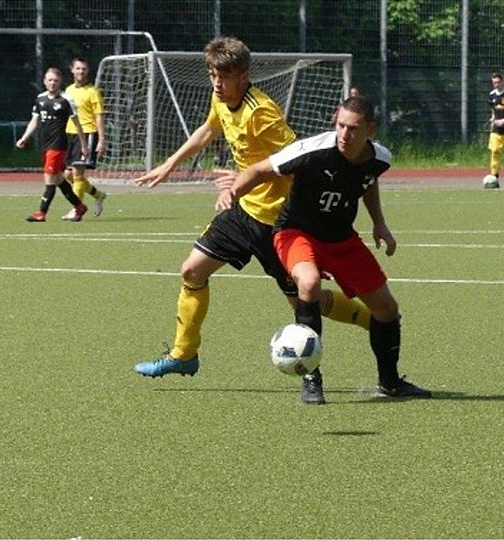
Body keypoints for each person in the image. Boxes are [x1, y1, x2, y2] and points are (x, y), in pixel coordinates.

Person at [131, 36, 373, 399]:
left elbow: (297, 162)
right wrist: (168, 165)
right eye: (212, 74)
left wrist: (247, 177)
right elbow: (207, 131)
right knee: (191, 271)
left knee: (307, 301)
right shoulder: (220, 98)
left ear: (243, 76)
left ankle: (360, 330)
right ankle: (184, 354)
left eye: (224, 76)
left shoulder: (263, 113)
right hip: (243, 211)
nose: (216, 83)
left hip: (279, 222)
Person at [218, 96, 432, 404]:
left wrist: (379, 224)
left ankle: (390, 382)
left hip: (341, 238)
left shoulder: (380, 158)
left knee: (386, 309)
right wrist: (233, 191)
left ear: (370, 129)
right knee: (309, 283)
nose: (345, 134)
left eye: (354, 129)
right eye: (341, 126)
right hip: (295, 232)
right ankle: (311, 377)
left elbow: (367, 182)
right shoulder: (312, 150)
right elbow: (262, 170)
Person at [15, 67, 89, 222]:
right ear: (44, 81)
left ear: (60, 82)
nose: (52, 83)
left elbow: (77, 124)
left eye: (55, 80)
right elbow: (34, 121)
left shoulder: (66, 100)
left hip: (58, 145)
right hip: (45, 144)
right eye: (49, 80)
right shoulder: (40, 99)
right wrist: (24, 138)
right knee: (59, 179)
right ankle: (79, 207)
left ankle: (41, 213)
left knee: (49, 179)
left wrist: (84, 145)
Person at [61, 57, 107, 220]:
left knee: (78, 174)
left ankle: (77, 210)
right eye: (78, 68)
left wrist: (101, 139)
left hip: (87, 133)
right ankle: (98, 195)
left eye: (84, 69)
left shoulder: (93, 91)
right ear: (72, 70)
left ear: (88, 71)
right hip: (69, 135)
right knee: (67, 176)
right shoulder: (68, 91)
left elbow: (99, 116)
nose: (81, 71)